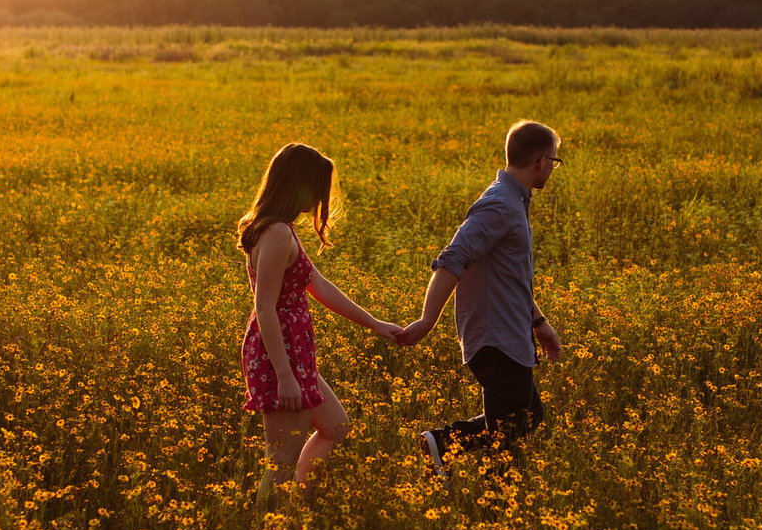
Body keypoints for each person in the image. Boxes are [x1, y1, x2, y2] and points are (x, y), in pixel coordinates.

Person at [398, 120, 565, 471]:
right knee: (508, 440)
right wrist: (428, 319)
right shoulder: (499, 204)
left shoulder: (513, 201)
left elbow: (509, 276)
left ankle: (440, 444)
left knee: (528, 416)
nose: (553, 167)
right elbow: (452, 259)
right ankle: (499, 510)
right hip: (496, 339)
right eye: (554, 160)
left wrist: (539, 323)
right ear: (540, 160)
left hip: (510, 334)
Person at [237, 142, 403, 489]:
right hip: (279, 356)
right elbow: (264, 306)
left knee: (336, 428)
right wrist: (284, 376)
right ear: (299, 184)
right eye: (318, 189)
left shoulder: (280, 228)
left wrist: (374, 324)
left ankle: (299, 505)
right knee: (279, 462)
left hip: (295, 355)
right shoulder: (277, 233)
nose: (319, 200)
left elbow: (320, 286)